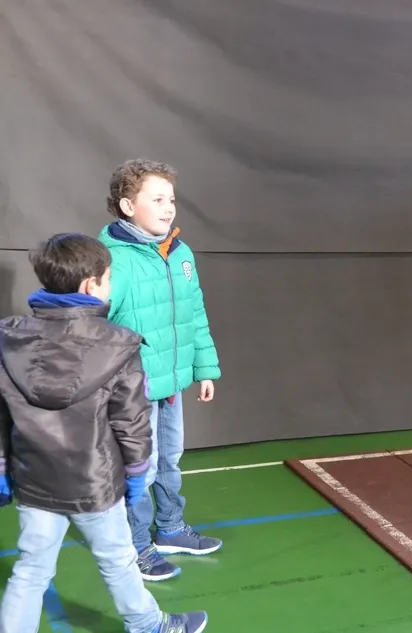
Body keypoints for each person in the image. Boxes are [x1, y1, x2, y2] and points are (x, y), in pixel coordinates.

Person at [0, 233, 209, 633]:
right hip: (94, 484)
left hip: (33, 480)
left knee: (29, 570)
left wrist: (2, 468)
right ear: (90, 285)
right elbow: (131, 423)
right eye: (109, 278)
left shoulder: (9, 337)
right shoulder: (119, 345)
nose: (111, 285)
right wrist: (136, 476)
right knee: (118, 560)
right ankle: (149, 625)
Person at [98, 158, 223, 582]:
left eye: (171, 199)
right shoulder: (111, 260)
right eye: (157, 199)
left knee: (170, 459)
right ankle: (135, 546)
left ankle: (170, 528)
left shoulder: (179, 253)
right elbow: (93, 326)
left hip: (172, 384)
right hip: (133, 390)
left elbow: (194, 314)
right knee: (140, 467)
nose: (168, 207)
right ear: (127, 206)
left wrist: (204, 368)